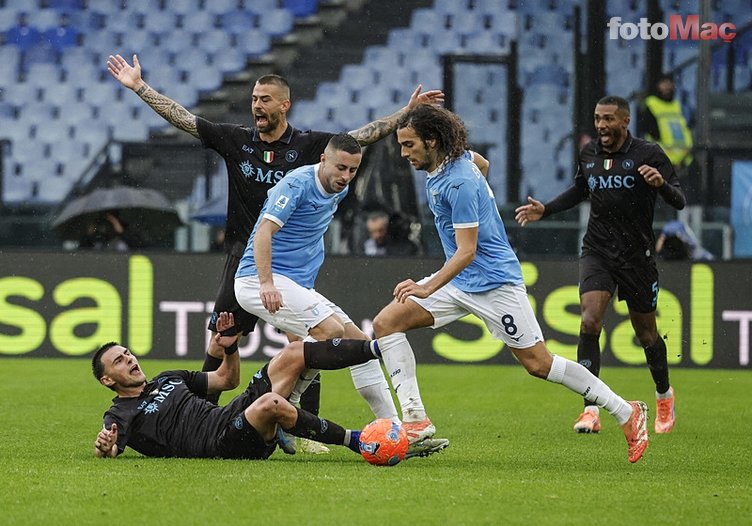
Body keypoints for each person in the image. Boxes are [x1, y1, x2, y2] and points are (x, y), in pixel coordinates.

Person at [106, 53, 443, 446]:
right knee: (222, 338)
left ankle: (307, 429)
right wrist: (140, 87)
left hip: (291, 266)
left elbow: (360, 138)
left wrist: (404, 115)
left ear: (284, 105)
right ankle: (203, 416)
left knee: (306, 343)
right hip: (246, 259)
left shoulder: (311, 148)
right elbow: (184, 119)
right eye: (253, 99)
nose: (256, 105)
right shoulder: (236, 140)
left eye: (264, 99)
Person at [369, 104, 649, 463]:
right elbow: (483, 163)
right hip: (461, 281)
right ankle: (415, 420)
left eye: (409, 145)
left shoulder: (459, 182)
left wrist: (426, 287)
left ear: (432, 141)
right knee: (387, 323)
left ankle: (626, 411)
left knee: (539, 364)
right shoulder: (458, 160)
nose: (403, 153)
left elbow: (467, 251)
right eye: (401, 145)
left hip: (494, 283)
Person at [234, 133, 448, 458]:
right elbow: (264, 232)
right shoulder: (296, 185)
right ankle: (285, 407)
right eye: (340, 168)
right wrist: (266, 283)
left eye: (352, 170)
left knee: (359, 345)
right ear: (323, 159)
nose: (346, 176)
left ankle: (397, 432)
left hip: (295, 284)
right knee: (330, 331)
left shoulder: (340, 188)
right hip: (257, 280)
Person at [515, 95, 686, 437]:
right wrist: (546, 209)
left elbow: (679, 200)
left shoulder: (649, 153)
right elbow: (580, 190)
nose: (601, 125)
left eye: (608, 119)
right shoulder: (589, 153)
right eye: (597, 118)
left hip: (636, 256)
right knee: (590, 320)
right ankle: (590, 409)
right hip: (598, 250)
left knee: (646, 333)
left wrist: (661, 185)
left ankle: (664, 395)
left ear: (625, 121)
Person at [92, 312, 384, 459]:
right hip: (220, 443)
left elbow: (226, 380)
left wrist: (230, 349)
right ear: (107, 380)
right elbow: (109, 446)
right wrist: (105, 447)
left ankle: (377, 349)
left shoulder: (168, 377)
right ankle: (356, 440)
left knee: (293, 353)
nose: (129, 359)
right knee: (270, 403)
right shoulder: (119, 414)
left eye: (127, 353)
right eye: (119, 361)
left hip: (231, 415)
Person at [638, 73, 698, 202]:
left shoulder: (677, 105)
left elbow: (685, 130)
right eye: (663, 83)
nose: (667, 87)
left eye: (669, 83)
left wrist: (685, 154)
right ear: (657, 85)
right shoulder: (651, 104)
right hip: (662, 161)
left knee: (687, 195)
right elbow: (651, 133)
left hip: (683, 160)